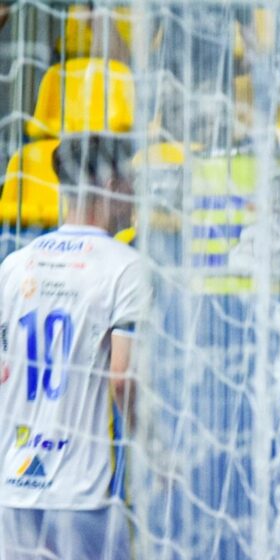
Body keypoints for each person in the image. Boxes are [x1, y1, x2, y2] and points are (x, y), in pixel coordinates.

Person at [0, 135, 148, 560]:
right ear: (111, 184)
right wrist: (155, 452)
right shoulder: (125, 266)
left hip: (15, 491)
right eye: (131, 179)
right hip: (85, 495)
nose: (136, 191)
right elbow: (123, 380)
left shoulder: (15, 264)